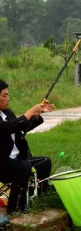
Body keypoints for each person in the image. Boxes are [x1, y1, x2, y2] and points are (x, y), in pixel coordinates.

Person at [0, 80, 54, 214]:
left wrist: (36, 115)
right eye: (4, 95)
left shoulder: (7, 113)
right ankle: (15, 208)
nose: (8, 98)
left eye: (8, 95)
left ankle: (37, 199)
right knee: (24, 166)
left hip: (17, 161)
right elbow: (8, 128)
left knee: (44, 162)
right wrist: (30, 111)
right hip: (2, 165)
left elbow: (20, 128)